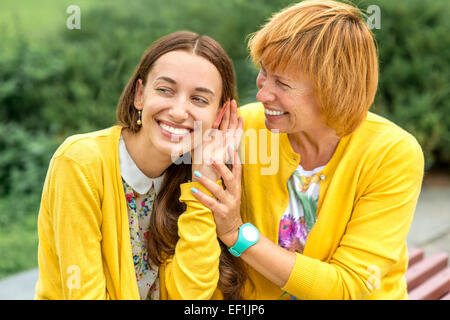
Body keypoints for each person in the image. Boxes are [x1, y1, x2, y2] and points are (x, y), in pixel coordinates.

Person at [191, 0, 424, 299]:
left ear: (334, 89)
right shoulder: (243, 127)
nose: (262, 93)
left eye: (282, 84)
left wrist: (237, 234)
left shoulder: (390, 153)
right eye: (264, 72)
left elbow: (349, 288)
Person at [34, 31, 245, 300]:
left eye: (199, 99)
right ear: (139, 95)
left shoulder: (196, 177)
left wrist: (201, 186)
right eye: (165, 90)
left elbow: (191, 298)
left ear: (218, 116)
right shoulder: (81, 162)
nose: (180, 111)